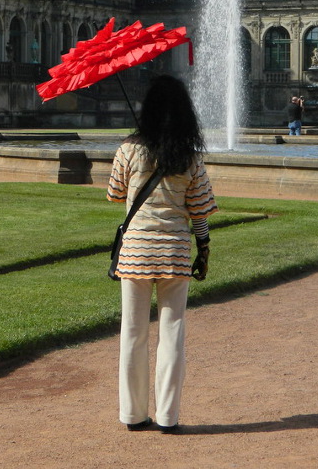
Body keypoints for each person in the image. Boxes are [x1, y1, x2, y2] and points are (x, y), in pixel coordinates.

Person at [107, 74, 218, 434]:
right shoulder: (189, 156)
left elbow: (114, 194)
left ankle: (133, 415)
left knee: (133, 334)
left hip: (136, 252)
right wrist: (203, 249)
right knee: (172, 333)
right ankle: (169, 417)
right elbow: (199, 212)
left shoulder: (129, 149)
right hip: (174, 251)